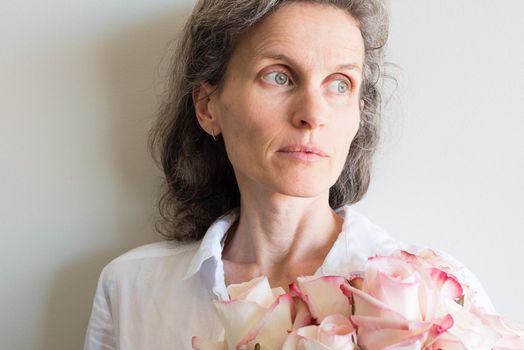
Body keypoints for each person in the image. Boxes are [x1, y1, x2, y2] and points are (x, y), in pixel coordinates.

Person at [84, 0, 495, 349]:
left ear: (358, 114)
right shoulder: (130, 289)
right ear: (208, 106)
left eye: (339, 84)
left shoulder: (439, 295)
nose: (312, 115)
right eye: (278, 76)